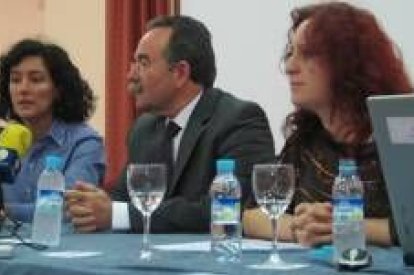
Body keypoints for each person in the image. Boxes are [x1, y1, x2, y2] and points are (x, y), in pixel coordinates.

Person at [65, 15, 275, 233]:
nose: (130, 76)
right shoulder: (143, 129)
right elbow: (123, 198)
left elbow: (231, 209)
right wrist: (91, 205)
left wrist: (118, 214)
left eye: (143, 63)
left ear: (180, 73)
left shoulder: (239, 119)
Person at [243, 2, 413, 246]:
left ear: (349, 62)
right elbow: (252, 216)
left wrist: (348, 227)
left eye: (308, 54)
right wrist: (300, 228)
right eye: (291, 53)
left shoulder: (402, 130)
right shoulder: (308, 138)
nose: (290, 67)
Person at [0, 39, 106, 222]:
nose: (23, 89)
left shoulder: (84, 143)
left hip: (64, 247)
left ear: (58, 89)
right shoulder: (5, 140)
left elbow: (69, 209)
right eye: (15, 80)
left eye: (36, 79)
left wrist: (6, 212)